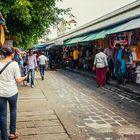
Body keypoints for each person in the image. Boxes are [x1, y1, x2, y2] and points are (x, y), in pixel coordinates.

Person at [0, 47, 27, 140]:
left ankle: (4, 137)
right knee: (13, 111)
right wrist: (25, 77)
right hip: (12, 92)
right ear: (11, 54)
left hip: (1, 93)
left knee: (2, 115)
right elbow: (18, 80)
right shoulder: (14, 64)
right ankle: (12, 133)